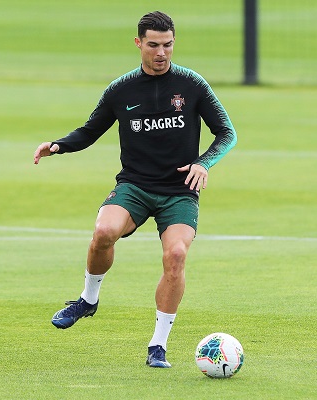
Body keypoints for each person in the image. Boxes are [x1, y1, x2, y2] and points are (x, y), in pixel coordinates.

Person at [33, 11, 236, 368]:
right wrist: (59, 145)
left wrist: (204, 163)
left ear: (174, 43)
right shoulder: (121, 89)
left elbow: (227, 133)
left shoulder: (192, 85)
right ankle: (88, 300)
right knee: (104, 231)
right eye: (154, 45)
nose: (161, 53)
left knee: (176, 256)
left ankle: (158, 345)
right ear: (139, 43)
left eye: (168, 45)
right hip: (135, 185)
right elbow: (90, 130)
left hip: (179, 191)